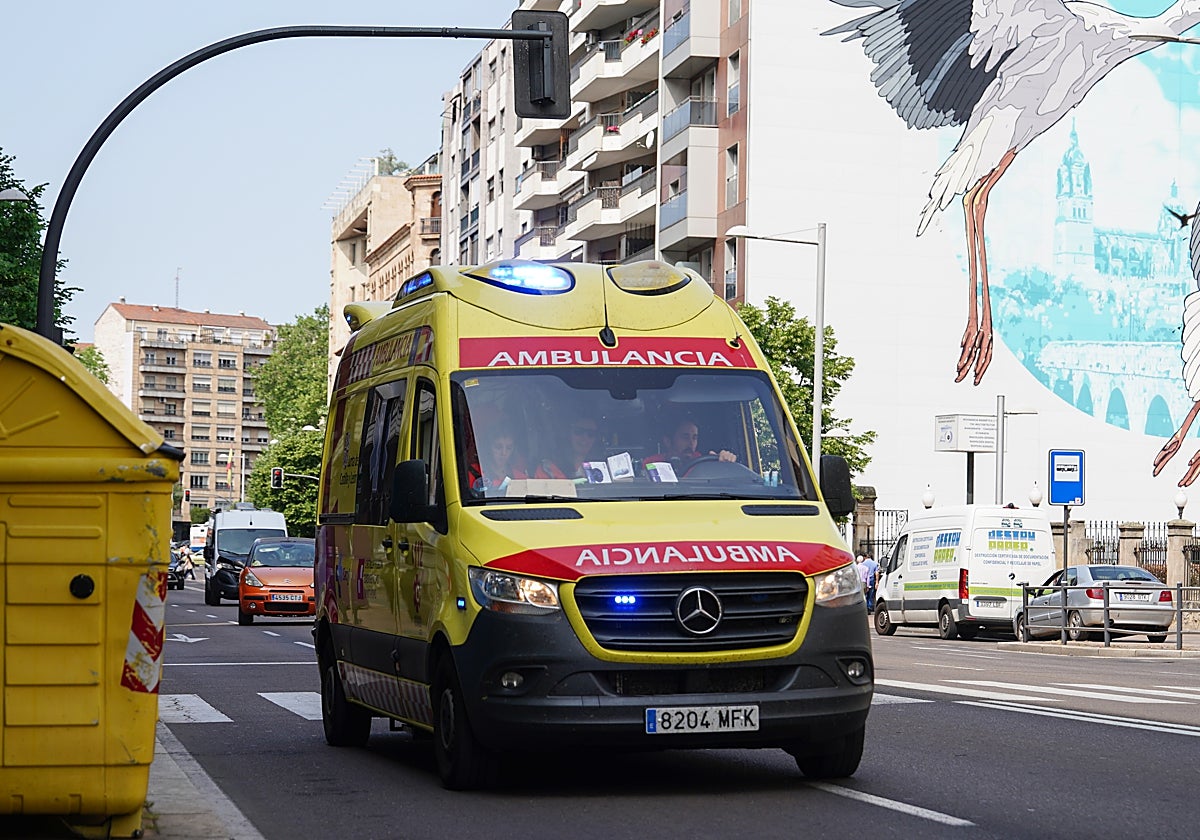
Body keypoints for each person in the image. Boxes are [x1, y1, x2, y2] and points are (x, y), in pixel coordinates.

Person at [647, 417, 737, 473]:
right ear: (668, 441)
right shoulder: (652, 463)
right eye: (685, 437)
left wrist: (723, 464)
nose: (691, 443)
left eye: (694, 438)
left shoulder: (705, 464)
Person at [536, 416, 603, 480]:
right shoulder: (548, 468)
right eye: (578, 431)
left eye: (590, 434)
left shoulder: (604, 468)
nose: (584, 438)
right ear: (568, 434)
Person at [470, 425, 528, 491]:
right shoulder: (473, 473)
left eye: (509, 448)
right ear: (488, 447)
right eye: (498, 447)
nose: (504, 453)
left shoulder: (520, 478)